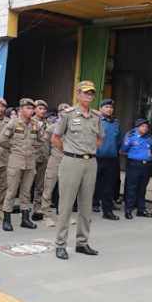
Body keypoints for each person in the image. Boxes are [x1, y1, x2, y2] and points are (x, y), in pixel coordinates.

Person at [51, 81, 104, 260]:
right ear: (78, 94)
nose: (89, 97)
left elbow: (100, 140)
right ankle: (60, 244)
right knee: (66, 205)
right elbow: (55, 138)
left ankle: (82, 242)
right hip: (71, 161)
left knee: (86, 206)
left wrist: (88, 150)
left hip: (90, 163)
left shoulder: (96, 117)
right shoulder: (67, 114)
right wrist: (69, 151)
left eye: (91, 94)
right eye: (85, 93)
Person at [0, 98, 42, 231]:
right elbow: (2, 141)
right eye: (28, 108)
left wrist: (31, 148)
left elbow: (41, 140)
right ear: (21, 109)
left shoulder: (35, 125)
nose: (31, 111)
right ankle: (6, 219)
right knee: (11, 191)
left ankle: (25, 219)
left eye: (32, 108)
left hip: (30, 162)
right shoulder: (13, 124)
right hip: (15, 162)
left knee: (26, 192)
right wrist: (14, 149)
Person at [39, 105, 70, 228]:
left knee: (66, 190)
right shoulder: (51, 128)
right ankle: (46, 216)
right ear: (58, 114)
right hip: (54, 160)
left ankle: (64, 216)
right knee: (49, 188)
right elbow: (44, 145)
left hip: (67, 161)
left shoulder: (71, 128)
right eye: (62, 112)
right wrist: (49, 158)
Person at [120, 118, 152, 219]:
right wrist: (134, 157)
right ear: (137, 127)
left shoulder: (149, 138)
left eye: (146, 126)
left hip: (146, 166)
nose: (145, 128)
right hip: (134, 165)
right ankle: (128, 210)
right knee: (132, 188)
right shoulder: (131, 136)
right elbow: (122, 151)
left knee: (142, 188)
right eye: (143, 126)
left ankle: (141, 209)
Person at [94, 98, 121, 220]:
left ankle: (107, 211)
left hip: (111, 159)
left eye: (111, 107)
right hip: (97, 157)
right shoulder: (96, 121)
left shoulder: (116, 123)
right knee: (93, 183)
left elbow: (118, 140)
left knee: (108, 186)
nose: (109, 109)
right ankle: (92, 204)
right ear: (101, 108)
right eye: (107, 107)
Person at [32, 100, 50, 219]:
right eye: (40, 108)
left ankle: (37, 207)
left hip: (43, 157)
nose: (42, 111)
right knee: (26, 185)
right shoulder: (29, 122)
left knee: (40, 185)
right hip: (30, 157)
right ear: (35, 109)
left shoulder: (48, 124)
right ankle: (23, 208)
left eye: (44, 109)